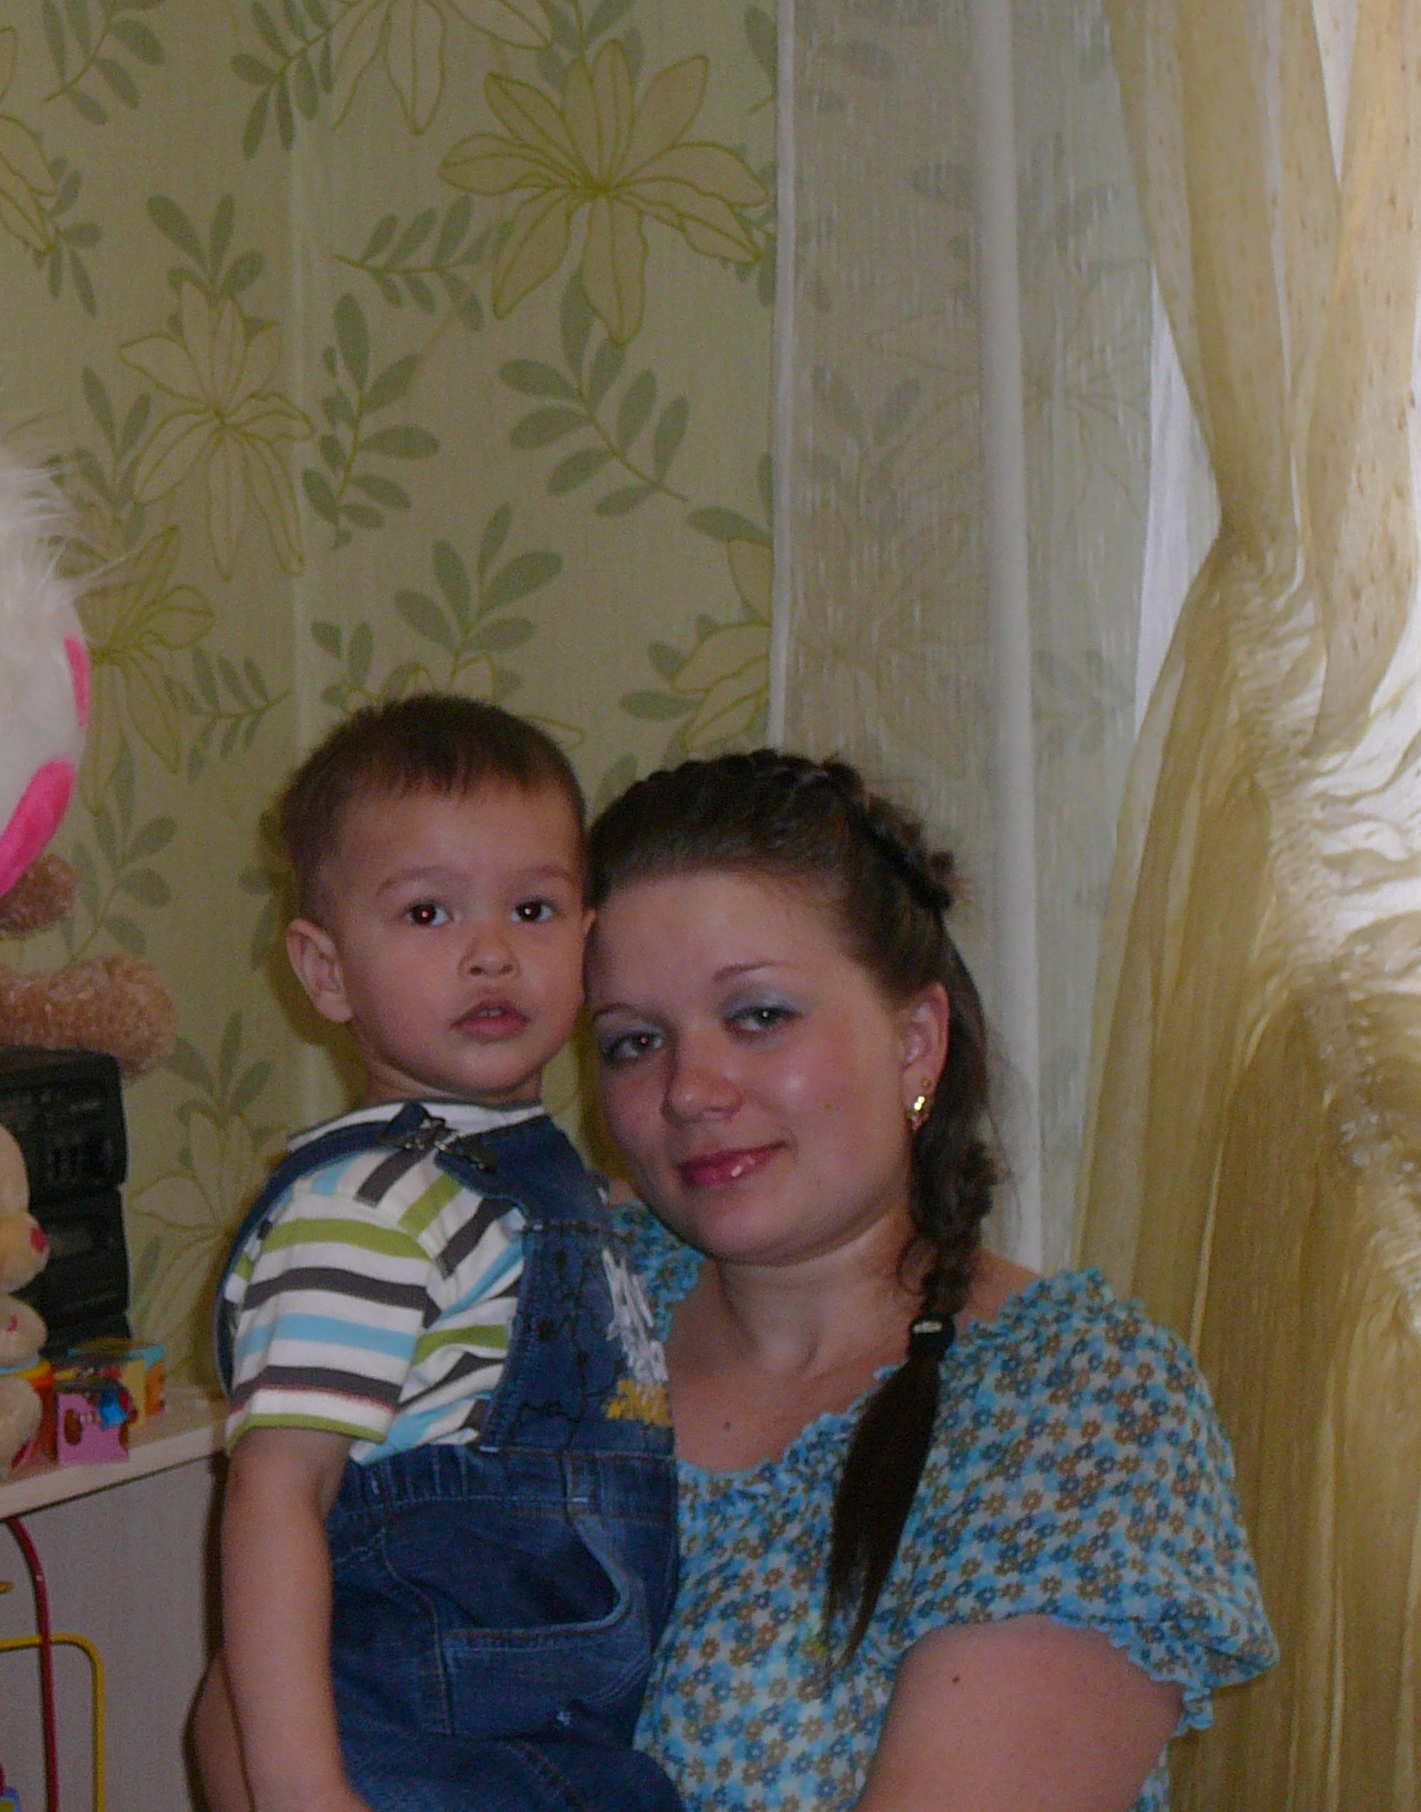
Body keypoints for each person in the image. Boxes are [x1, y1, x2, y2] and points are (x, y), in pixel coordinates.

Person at [580, 749, 1275, 1810]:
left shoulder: (1076, 1402)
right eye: (634, 1041)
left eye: (759, 1016)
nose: (690, 1090)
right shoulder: (563, 1308)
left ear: (915, 1043)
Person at [195, 693, 683, 1812]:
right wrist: (303, 1790)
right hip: (408, 1749)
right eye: (427, 913)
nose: (491, 953)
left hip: (556, 1742)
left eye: (532, 908)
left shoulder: (542, 1186)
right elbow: (276, 1494)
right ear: (325, 973)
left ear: (588, 938)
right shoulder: (364, 1208)